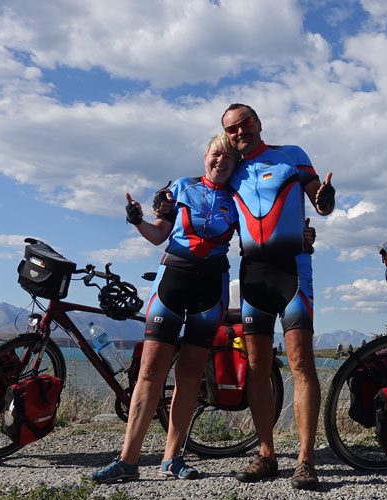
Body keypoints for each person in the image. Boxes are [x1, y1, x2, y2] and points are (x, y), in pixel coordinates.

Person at [92, 132, 240, 483]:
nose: (220, 161)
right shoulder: (182, 187)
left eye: (228, 158)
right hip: (172, 282)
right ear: (205, 155)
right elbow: (159, 234)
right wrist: (137, 220)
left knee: (189, 377)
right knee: (149, 374)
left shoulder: (239, 199)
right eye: (215, 155)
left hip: (210, 289)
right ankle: (128, 461)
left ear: (235, 165)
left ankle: (172, 458)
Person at [220, 103, 335, 490]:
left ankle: (306, 459)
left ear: (258, 123)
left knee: (301, 361)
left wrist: (325, 198)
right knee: (256, 365)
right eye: (232, 129)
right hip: (253, 274)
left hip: (293, 269)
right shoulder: (230, 171)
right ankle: (267, 454)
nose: (239, 132)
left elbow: (319, 199)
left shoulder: (291, 156)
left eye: (245, 123)